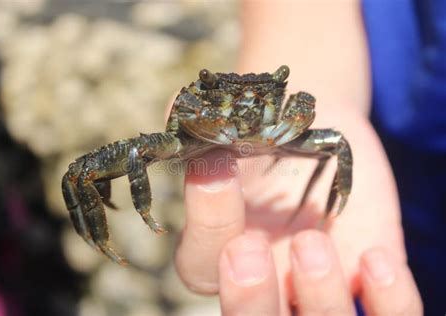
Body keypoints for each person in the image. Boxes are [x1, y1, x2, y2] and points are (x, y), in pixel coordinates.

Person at [173, 1, 430, 314]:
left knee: (336, 145)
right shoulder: (201, 106)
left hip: (408, 180)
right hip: (403, 169)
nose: (251, 102)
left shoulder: (288, 111)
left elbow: (309, 105)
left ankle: (340, 199)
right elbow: (183, 113)